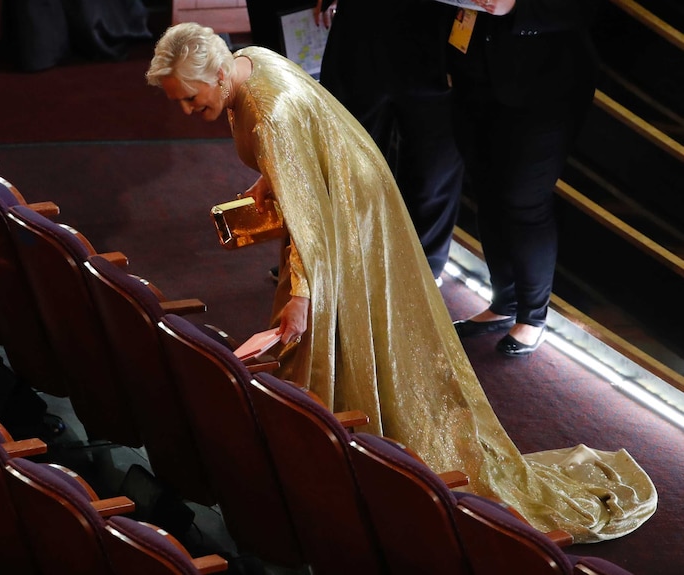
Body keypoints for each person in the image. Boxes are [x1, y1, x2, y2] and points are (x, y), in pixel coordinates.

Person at [145, 22, 656, 543]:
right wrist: (266, 179)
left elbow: (310, 223)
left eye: (190, 98)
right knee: (334, 329)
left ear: (217, 73)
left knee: (309, 336)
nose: (187, 111)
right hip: (350, 198)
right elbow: (310, 138)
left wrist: (301, 296)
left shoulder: (267, 114)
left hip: (342, 219)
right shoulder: (249, 58)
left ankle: (339, 471)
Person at [448, 0, 600, 356]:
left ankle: (532, 317)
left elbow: (587, 9)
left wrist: (518, 7)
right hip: (474, 69)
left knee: (523, 199)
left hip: (546, 82)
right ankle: (505, 303)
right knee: (486, 190)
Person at [315, 0, 464, 284]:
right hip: (362, 28)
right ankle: (330, 263)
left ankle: (420, 275)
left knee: (432, 172)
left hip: (439, 33)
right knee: (343, 158)